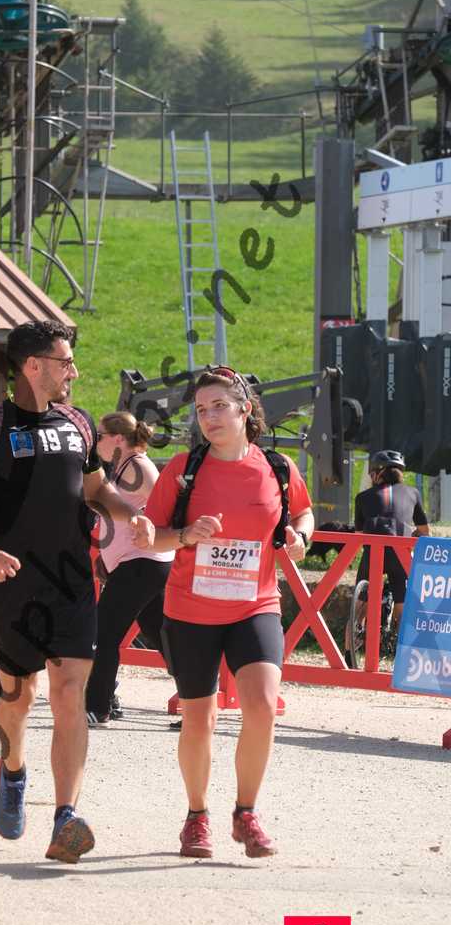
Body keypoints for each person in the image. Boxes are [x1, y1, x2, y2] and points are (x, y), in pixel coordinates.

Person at [0, 320, 154, 864]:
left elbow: (95, 490)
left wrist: (130, 514)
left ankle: (66, 816)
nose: (74, 373)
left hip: (72, 584)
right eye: (66, 362)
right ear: (33, 366)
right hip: (10, 587)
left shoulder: (78, 423)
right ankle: (13, 771)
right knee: (18, 700)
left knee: (69, 694)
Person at [144, 367, 314, 860]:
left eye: (219, 406)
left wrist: (301, 537)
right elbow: (153, 536)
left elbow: (302, 512)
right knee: (199, 718)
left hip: (254, 604)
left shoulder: (277, 467)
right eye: (201, 410)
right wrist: (185, 535)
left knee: (262, 705)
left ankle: (246, 813)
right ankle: (196, 817)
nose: (209, 417)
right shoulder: (183, 470)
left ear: (245, 409)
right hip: (191, 608)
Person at [85, 411, 174, 724]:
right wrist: (106, 556)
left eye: (100, 436)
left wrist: (158, 534)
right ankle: (200, 695)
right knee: (161, 635)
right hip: (137, 564)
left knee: (103, 632)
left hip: (142, 564)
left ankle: (98, 705)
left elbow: (168, 505)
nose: (96, 442)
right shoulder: (124, 467)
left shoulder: (138, 466)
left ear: (118, 439)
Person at [344, 449, 430, 665]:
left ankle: (348, 655)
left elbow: (359, 535)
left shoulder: (363, 497)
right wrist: (411, 535)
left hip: (373, 552)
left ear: (377, 473)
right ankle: (403, 657)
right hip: (400, 553)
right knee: (403, 606)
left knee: (360, 607)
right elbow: (424, 531)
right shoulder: (413, 493)